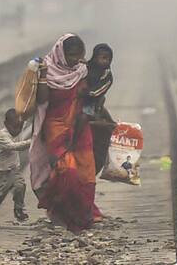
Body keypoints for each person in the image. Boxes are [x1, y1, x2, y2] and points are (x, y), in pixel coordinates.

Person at [29, 34, 101, 233]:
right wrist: (43, 76)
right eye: (71, 55)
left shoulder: (83, 71)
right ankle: (62, 214)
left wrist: (86, 118)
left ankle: (84, 213)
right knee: (65, 170)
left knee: (85, 171)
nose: (75, 60)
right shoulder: (47, 70)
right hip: (56, 127)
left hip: (80, 126)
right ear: (61, 53)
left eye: (79, 55)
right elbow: (42, 100)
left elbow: (90, 100)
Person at [0, 109, 31, 226]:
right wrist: (30, 142)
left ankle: (19, 209)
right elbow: (13, 146)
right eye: (14, 127)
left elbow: (27, 118)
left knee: (20, 185)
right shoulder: (2, 136)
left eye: (20, 127)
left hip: (13, 170)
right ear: (6, 124)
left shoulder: (18, 130)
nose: (17, 130)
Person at [75, 44, 115, 173]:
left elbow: (99, 91)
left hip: (91, 103)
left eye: (107, 59)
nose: (105, 61)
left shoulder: (107, 75)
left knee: (108, 127)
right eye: (102, 58)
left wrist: (87, 93)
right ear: (95, 57)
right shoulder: (87, 67)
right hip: (77, 100)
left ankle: (75, 138)